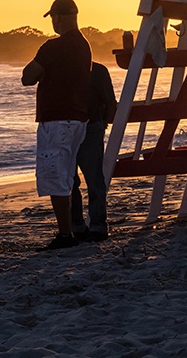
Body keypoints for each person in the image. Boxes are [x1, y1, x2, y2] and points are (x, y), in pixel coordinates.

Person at [22, 0, 92, 250]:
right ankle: (71, 228)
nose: (52, 21)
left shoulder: (53, 47)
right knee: (67, 174)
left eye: (53, 17)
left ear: (58, 17)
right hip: (77, 118)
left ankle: (65, 233)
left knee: (56, 174)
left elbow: (27, 77)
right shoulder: (84, 45)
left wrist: (43, 74)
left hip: (57, 119)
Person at [70, 60, 117, 241]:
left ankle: (81, 225)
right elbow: (110, 102)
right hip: (89, 125)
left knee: (77, 180)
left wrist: (102, 123)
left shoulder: (94, 70)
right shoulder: (97, 70)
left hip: (81, 126)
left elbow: (110, 102)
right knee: (92, 178)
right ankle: (94, 225)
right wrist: (104, 122)